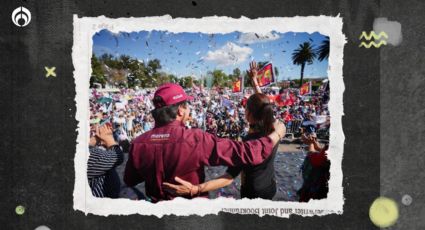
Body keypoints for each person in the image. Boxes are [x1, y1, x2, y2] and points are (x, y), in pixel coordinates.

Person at [123, 83, 286, 202]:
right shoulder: (195, 139)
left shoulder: (138, 143)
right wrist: (278, 133)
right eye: (187, 106)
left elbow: (130, 180)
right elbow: (248, 153)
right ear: (180, 110)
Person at [162, 61, 280, 200]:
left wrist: (196, 188)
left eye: (245, 109)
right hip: (270, 187)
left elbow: (229, 177)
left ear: (248, 114)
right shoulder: (273, 130)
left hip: (252, 192)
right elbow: (264, 106)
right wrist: (254, 81)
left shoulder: (248, 144)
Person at [87, 124, 124, 198]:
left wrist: (97, 137)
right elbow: (118, 156)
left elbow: (87, 146)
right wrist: (108, 137)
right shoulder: (89, 156)